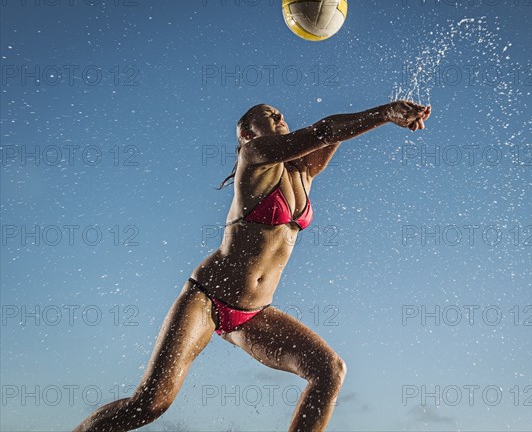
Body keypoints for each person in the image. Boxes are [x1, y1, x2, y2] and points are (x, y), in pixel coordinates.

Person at [73, 100, 432, 432]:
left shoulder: (304, 173)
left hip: (255, 314)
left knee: (329, 371)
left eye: (281, 114)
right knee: (149, 404)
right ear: (247, 132)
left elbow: (332, 133)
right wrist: (386, 112)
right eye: (268, 114)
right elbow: (325, 129)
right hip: (207, 300)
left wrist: (386, 118)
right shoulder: (255, 154)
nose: (279, 117)